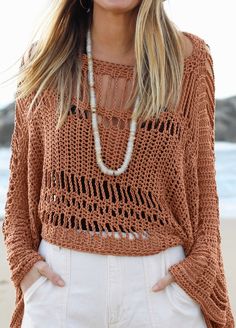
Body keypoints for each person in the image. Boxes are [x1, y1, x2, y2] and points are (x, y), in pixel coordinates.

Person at [2, 0, 234, 327]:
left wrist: (199, 267)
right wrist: (22, 263)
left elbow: (204, 181)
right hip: (60, 288)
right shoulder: (45, 60)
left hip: (162, 289)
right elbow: (21, 182)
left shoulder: (188, 60)